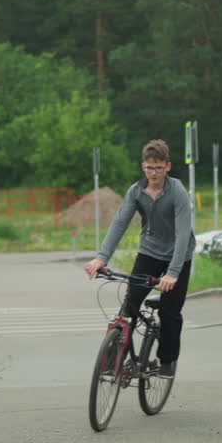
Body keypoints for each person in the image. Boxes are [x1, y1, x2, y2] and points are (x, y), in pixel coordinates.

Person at [84, 139, 195, 378]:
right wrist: (101, 258)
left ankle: (167, 360)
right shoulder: (136, 191)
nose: (153, 172)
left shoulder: (177, 192)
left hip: (179, 256)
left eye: (158, 167)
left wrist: (173, 272)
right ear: (143, 166)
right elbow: (120, 223)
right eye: (149, 167)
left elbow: (183, 233)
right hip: (150, 252)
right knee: (129, 306)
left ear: (167, 166)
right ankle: (113, 360)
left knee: (169, 312)